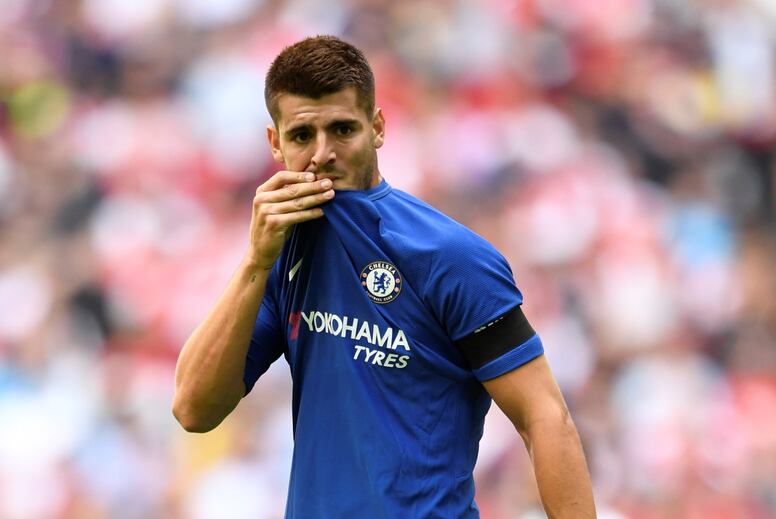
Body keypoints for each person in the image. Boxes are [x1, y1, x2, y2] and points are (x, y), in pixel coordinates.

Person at [172, 35, 596, 518]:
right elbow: (193, 409)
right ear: (275, 143)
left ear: (377, 127)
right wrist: (253, 261)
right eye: (302, 136)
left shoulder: (450, 256)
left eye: (343, 129)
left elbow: (545, 416)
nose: (322, 154)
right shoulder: (278, 252)